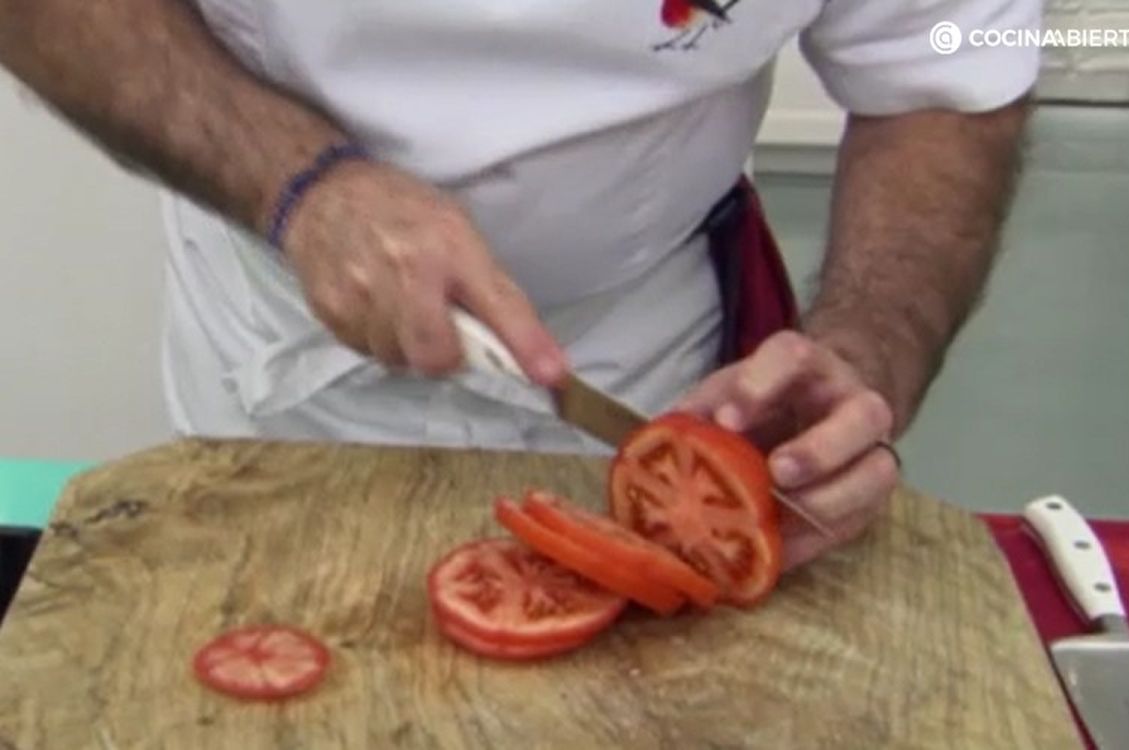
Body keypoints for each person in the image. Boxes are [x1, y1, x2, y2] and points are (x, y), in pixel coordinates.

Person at [0, 0, 1039, 569]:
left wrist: (866, 351)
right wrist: (298, 183)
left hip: (649, 358)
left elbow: (944, 71)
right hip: (281, 345)